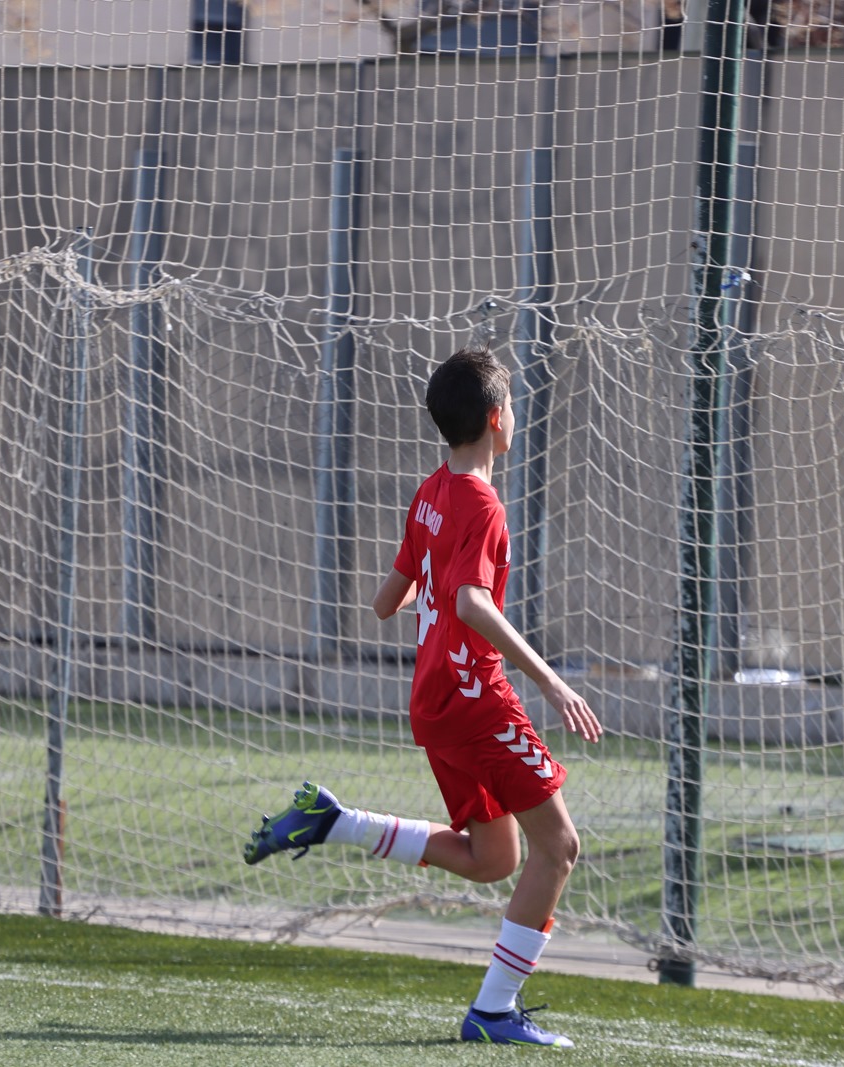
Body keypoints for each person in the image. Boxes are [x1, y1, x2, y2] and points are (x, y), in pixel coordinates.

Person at [244, 345, 603, 1047]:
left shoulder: (432, 491)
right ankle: (493, 1011)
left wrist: (431, 584)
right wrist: (550, 679)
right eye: (512, 405)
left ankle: (334, 822)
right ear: (497, 419)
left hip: (433, 703)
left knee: (494, 859)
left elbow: (387, 600)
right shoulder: (482, 503)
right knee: (559, 847)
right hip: (475, 698)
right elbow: (470, 602)